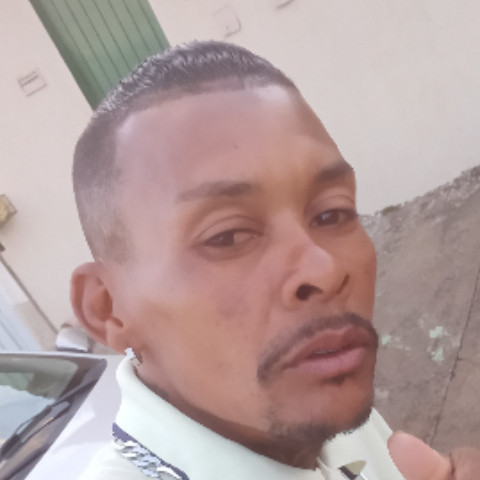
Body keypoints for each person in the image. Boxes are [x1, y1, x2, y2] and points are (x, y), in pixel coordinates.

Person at [70, 40, 479, 480]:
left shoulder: (322, 418)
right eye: (227, 236)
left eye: (332, 213)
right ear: (109, 309)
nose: (324, 269)